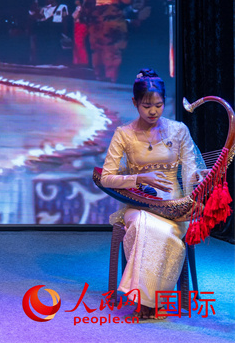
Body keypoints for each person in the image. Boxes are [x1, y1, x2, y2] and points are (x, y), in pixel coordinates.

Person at [99, 69, 205, 319]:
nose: (153, 111)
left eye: (158, 105)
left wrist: (197, 183)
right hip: (140, 205)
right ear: (134, 103)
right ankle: (149, 301)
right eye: (146, 106)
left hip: (174, 207)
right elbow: (105, 177)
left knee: (164, 231)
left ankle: (146, 300)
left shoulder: (178, 130)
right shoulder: (124, 133)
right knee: (142, 225)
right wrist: (138, 178)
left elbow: (190, 172)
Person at [84, 0, 133, 82]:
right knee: (114, 48)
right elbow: (126, 0)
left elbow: (86, 2)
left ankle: (99, 74)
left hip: (96, 18)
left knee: (97, 48)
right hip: (112, 16)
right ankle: (112, 76)